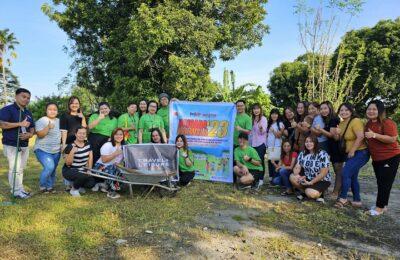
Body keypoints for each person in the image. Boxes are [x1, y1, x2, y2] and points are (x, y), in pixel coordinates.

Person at [365, 100, 400, 216]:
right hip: (377, 159)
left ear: (380, 110)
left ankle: (379, 208)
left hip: (390, 157)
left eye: (374, 109)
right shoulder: (369, 123)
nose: (371, 111)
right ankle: (383, 205)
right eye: (369, 109)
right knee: (381, 182)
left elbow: (392, 139)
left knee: (385, 183)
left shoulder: (387, 122)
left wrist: (374, 135)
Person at [0, 88, 35, 199]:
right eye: (23, 97)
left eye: (28, 98)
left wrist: (29, 134)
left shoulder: (28, 112)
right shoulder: (8, 109)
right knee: (14, 168)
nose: (26, 99)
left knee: (20, 169)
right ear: (16, 96)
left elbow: (32, 127)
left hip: (24, 144)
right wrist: (19, 124)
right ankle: (15, 191)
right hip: (12, 144)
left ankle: (20, 189)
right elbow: (2, 124)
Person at [333, 103, 369, 208]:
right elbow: (338, 139)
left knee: (345, 173)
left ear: (351, 111)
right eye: (341, 110)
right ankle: (357, 200)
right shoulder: (341, 123)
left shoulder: (356, 121)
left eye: (346, 110)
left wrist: (352, 150)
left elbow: (361, 136)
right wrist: (337, 133)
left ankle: (343, 198)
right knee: (352, 176)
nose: (343, 112)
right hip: (350, 153)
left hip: (361, 152)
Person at [290, 136, 332, 202]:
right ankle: (305, 192)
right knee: (293, 177)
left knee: (311, 194)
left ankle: (320, 194)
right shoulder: (302, 153)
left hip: (321, 180)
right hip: (308, 177)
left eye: (311, 142)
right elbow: (296, 169)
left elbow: (323, 174)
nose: (308, 144)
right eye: (306, 142)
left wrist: (311, 182)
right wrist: (299, 174)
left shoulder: (322, 154)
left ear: (315, 143)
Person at [317, 101, 345, 197]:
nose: (323, 111)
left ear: (330, 108)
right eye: (321, 109)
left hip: (337, 147)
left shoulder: (333, 119)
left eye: (325, 108)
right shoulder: (328, 119)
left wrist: (320, 130)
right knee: (337, 169)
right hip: (332, 147)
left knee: (338, 170)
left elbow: (332, 135)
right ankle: (338, 191)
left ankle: (336, 192)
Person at [60, 96, 87, 191]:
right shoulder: (64, 115)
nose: (74, 105)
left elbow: (84, 128)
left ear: (79, 105)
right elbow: (64, 131)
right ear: (69, 104)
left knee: (78, 163)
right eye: (72, 103)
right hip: (68, 142)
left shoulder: (81, 116)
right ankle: (67, 184)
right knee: (68, 164)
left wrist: (83, 117)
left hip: (79, 142)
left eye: (77, 103)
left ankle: (76, 184)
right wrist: (63, 145)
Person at [33, 102, 61, 193]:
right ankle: (42, 186)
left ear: (57, 111)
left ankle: (50, 187)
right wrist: (48, 127)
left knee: (52, 170)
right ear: (46, 111)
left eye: (54, 109)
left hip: (56, 150)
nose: (52, 111)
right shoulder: (42, 120)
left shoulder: (59, 121)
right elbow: (40, 135)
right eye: (50, 109)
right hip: (42, 149)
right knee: (49, 167)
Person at [62, 127, 96, 197]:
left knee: (91, 183)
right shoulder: (70, 146)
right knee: (82, 175)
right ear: (76, 134)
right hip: (69, 170)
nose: (81, 135)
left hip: (82, 169)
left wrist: (89, 169)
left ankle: (78, 185)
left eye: (84, 133)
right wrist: (72, 152)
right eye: (80, 133)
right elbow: (68, 163)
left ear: (86, 135)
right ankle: (74, 189)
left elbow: (90, 158)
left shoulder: (88, 144)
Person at [93, 128, 125, 199]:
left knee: (123, 172)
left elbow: (119, 162)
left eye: (121, 134)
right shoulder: (108, 145)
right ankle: (111, 191)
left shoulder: (123, 147)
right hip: (100, 167)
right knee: (113, 169)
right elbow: (104, 160)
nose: (119, 136)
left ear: (123, 136)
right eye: (116, 134)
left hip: (113, 167)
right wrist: (115, 154)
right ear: (113, 136)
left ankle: (103, 185)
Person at [250, 103, 268, 187]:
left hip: (261, 144)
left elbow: (263, 131)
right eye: (254, 109)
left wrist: (261, 127)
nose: (256, 110)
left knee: (260, 162)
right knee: (254, 162)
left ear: (260, 110)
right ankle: (255, 179)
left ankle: (261, 179)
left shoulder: (263, 119)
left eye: (257, 109)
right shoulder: (252, 119)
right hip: (253, 144)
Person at [266, 108, 285, 184]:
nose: (274, 115)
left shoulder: (280, 124)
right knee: (270, 162)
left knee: (276, 162)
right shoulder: (269, 123)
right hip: (270, 146)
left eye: (276, 114)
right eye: (272, 114)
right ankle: (271, 178)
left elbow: (279, 135)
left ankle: (276, 179)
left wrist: (273, 130)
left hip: (277, 146)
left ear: (278, 115)